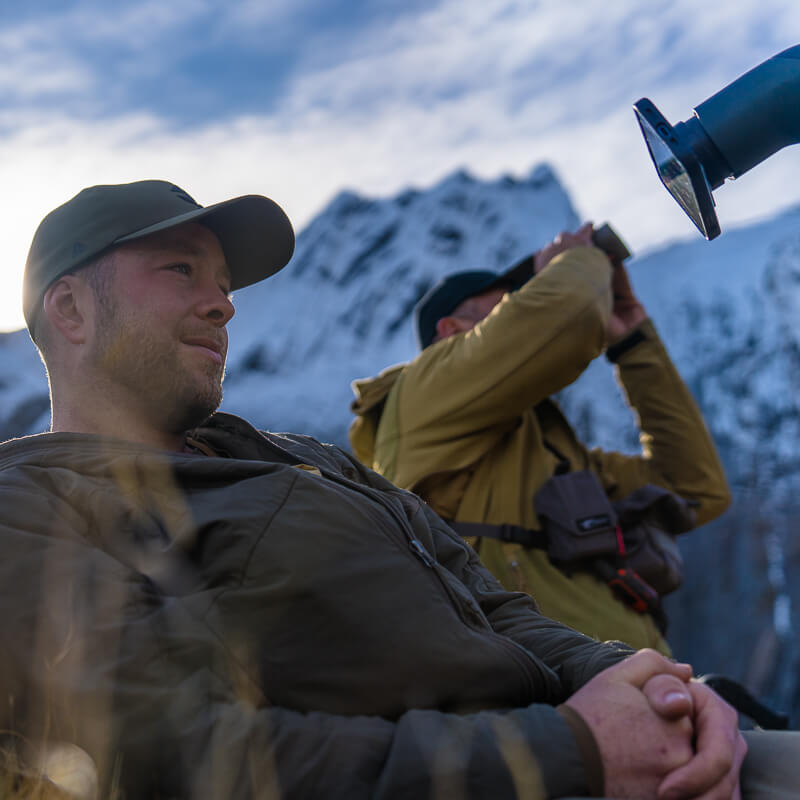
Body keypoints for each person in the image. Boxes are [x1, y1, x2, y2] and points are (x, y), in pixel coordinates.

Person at [0, 180, 792, 799]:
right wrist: (576, 749)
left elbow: (496, 608)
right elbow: (179, 757)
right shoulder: (29, 503)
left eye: (223, 281)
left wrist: (652, 688)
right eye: (182, 270)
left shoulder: (301, 455)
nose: (224, 301)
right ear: (69, 308)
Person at [349, 223, 731, 654]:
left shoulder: (548, 450)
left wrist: (634, 344)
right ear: (451, 330)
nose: (526, 305)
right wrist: (573, 259)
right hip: (543, 702)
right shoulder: (421, 392)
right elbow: (569, 314)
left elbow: (695, 488)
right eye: (510, 304)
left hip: (640, 689)